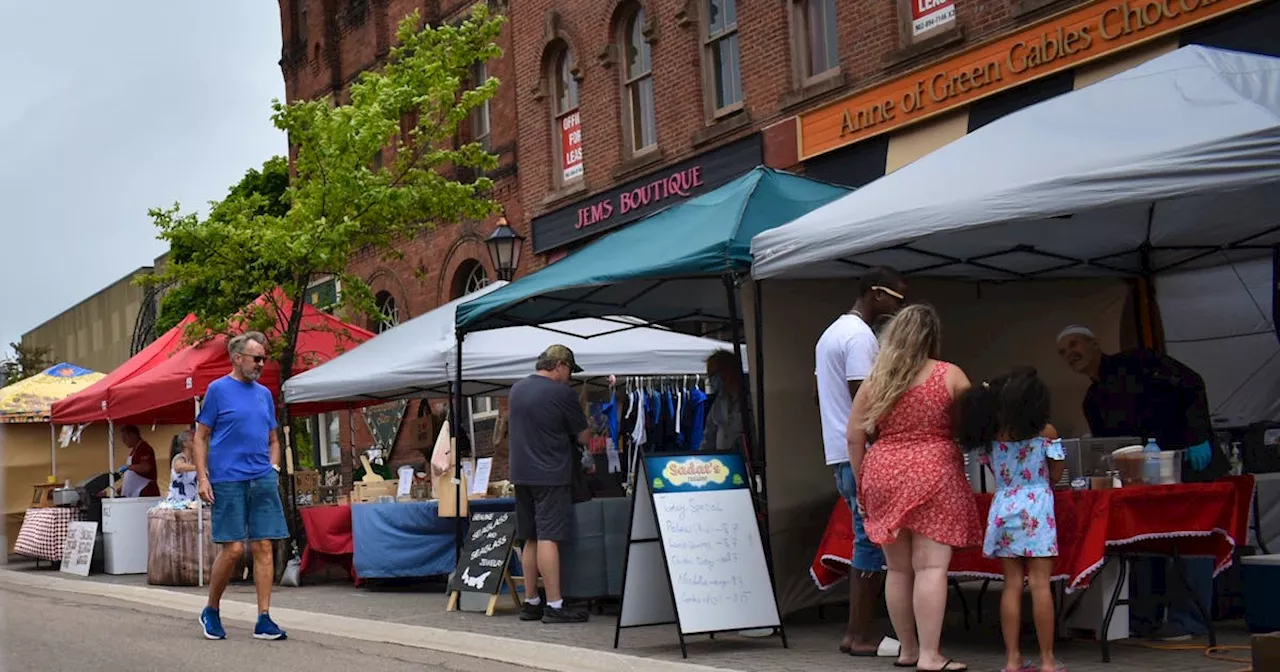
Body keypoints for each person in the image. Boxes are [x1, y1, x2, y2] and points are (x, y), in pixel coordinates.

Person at [1056, 324, 1227, 641]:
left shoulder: (1139, 361)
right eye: (1063, 352)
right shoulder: (1093, 400)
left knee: (1189, 541)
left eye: (1074, 344)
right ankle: (1143, 617)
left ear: (1095, 343)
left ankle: (1190, 619)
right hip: (1145, 480)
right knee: (1146, 543)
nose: (1070, 354)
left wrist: (1199, 436)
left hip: (1190, 465)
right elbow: (1111, 448)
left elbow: (1191, 384)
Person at [848, 304, 982, 672]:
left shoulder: (876, 381)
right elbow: (974, 423)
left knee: (898, 570)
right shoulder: (949, 374)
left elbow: (854, 438)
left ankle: (907, 650)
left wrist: (863, 485)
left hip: (884, 470)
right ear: (932, 337)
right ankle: (930, 655)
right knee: (931, 568)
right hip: (934, 472)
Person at [814, 265, 906, 657]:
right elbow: (865, 398)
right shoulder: (859, 336)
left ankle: (856, 633)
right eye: (895, 298)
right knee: (869, 545)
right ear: (875, 293)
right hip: (860, 453)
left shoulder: (831, 333)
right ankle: (862, 634)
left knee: (862, 542)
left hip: (839, 450)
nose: (899, 308)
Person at [954, 368, 1065, 672]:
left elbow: (993, 472)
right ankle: (1047, 661)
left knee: (1011, 585)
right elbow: (1056, 474)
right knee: (1040, 586)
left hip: (1004, 506)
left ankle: (1012, 659)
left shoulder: (992, 436)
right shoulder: (1047, 433)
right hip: (1038, 509)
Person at [194, 331, 289, 641]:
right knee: (233, 549)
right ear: (237, 358)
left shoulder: (264, 394)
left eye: (264, 358)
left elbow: (274, 439)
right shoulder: (218, 390)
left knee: (264, 545)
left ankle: (264, 618)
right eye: (256, 358)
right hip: (228, 479)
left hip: (261, 477)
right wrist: (203, 477)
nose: (262, 364)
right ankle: (211, 609)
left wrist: (273, 468)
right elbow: (199, 436)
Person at [509, 345, 591, 624]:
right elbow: (582, 437)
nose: (569, 377)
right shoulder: (562, 393)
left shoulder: (516, 389)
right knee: (549, 537)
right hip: (550, 474)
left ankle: (531, 601)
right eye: (568, 371)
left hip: (521, 473)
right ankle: (555, 605)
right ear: (559, 365)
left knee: (529, 536)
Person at [700, 349, 744, 452]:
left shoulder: (748, 401)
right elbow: (709, 437)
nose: (710, 380)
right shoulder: (718, 403)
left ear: (727, 372)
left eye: (713, 375)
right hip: (723, 461)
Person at [117, 425, 161, 498]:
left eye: (125, 438)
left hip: (145, 492)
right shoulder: (135, 449)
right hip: (136, 493)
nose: (123, 441)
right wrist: (124, 486)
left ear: (132, 435)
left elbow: (146, 468)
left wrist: (129, 467)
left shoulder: (144, 448)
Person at [167, 430, 199, 503]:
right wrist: (199, 468)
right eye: (192, 440)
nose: (195, 442)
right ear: (185, 444)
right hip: (178, 500)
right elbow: (179, 467)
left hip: (192, 500)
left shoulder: (195, 459)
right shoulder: (179, 458)